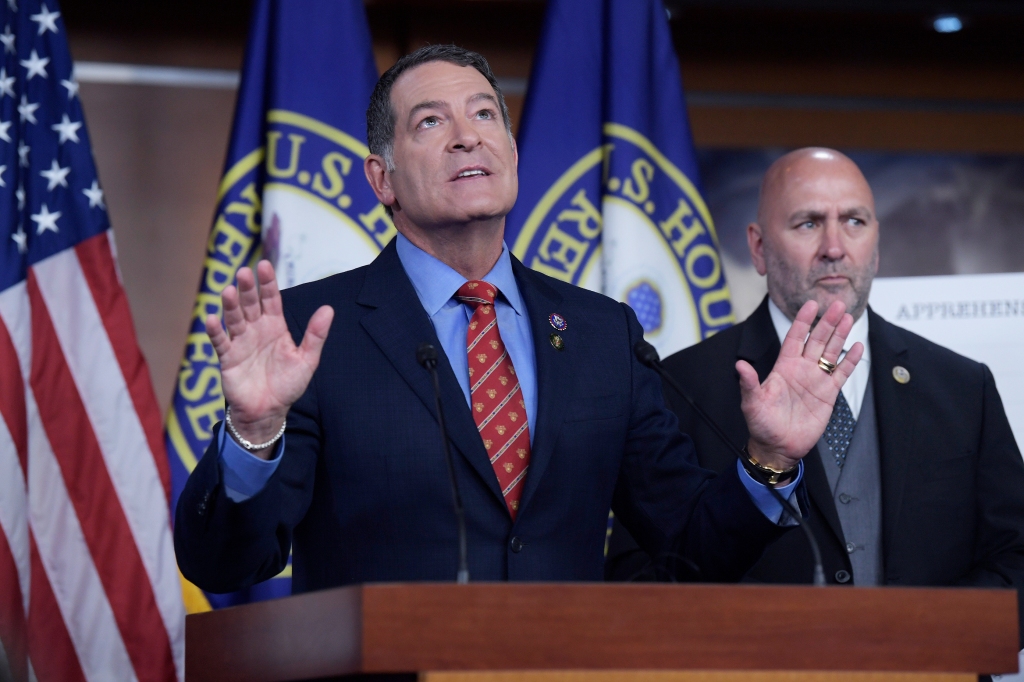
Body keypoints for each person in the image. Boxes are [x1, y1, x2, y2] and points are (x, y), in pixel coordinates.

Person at [174, 47, 862, 593]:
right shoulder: (315, 331)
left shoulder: (600, 333)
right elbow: (227, 565)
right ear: (381, 180)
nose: (467, 137)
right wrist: (255, 435)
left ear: (510, 151)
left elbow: (688, 545)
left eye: (484, 115)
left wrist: (770, 461)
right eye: (431, 122)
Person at [607, 148, 1024, 640]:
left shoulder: (961, 386)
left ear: (876, 241)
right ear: (759, 248)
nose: (834, 246)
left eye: (854, 221)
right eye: (808, 223)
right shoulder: (679, 386)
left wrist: (925, 637)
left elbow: (1016, 560)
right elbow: (639, 583)